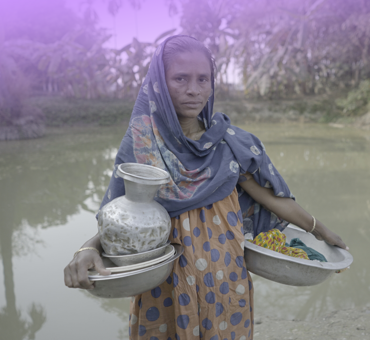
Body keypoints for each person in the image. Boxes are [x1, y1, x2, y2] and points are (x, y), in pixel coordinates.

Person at [64, 35, 348, 340]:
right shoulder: (144, 146)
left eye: (203, 79)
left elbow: (273, 199)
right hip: (165, 286)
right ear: (159, 82)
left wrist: (321, 231)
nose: (193, 89)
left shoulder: (230, 143)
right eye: (180, 78)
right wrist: (87, 249)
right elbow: (127, 218)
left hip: (226, 281)